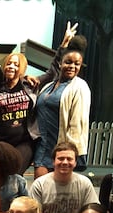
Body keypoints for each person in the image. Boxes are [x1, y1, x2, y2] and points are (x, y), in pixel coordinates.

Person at [0, 22, 79, 174]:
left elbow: (52, 71)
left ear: (22, 68)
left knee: (14, 172)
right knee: (1, 174)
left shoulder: (30, 84)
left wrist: (63, 45)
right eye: (9, 64)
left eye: (16, 64)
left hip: (25, 141)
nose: (11, 67)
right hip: (2, 140)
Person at [34, 36, 90, 178]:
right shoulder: (48, 86)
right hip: (43, 145)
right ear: (60, 63)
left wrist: (68, 152)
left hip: (61, 146)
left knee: (58, 193)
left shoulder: (80, 87)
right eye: (68, 62)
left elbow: (77, 123)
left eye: (77, 64)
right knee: (39, 191)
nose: (72, 66)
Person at [29, 142, 99, 213]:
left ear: (75, 162)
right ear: (53, 161)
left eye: (69, 159)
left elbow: (93, 211)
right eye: (60, 158)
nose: (65, 162)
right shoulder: (40, 184)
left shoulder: (84, 183)